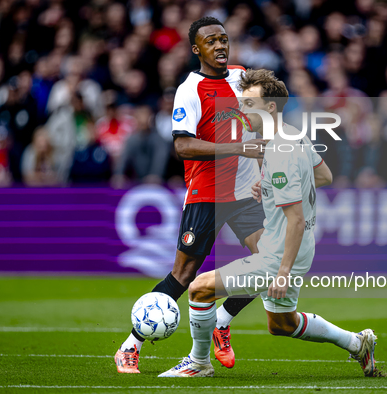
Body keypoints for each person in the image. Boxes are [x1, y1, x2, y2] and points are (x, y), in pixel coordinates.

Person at [158, 69, 378, 378]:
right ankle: (358, 343)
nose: (242, 109)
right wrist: (274, 187)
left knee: (199, 288)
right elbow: (324, 175)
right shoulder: (293, 133)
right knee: (281, 324)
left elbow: (297, 221)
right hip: (301, 249)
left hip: (279, 253)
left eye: (249, 104)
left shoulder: (277, 152)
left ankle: (198, 363)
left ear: (270, 107)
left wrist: (282, 272)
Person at [114, 16, 267, 373]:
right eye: (211, 41)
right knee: (182, 276)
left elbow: (263, 118)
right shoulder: (189, 89)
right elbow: (183, 146)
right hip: (207, 192)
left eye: (224, 39)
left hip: (245, 192)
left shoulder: (242, 77)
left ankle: (221, 322)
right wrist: (239, 150)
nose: (220, 46)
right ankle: (130, 347)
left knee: (271, 265)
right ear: (196, 49)